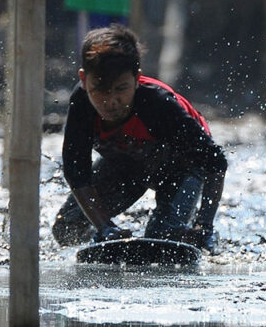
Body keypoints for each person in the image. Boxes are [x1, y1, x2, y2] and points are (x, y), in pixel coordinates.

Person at [53, 25, 227, 251]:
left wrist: (204, 225)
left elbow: (215, 162)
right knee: (67, 230)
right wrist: (105, 227)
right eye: (101, 90)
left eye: (120, 89)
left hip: (181, 168)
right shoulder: (82, 103)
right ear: (84, 80)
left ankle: (187, 237)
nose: (111, 101)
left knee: (162, 242)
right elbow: (77, 173)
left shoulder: (158, 103)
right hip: (124, 167)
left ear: (137, 79)